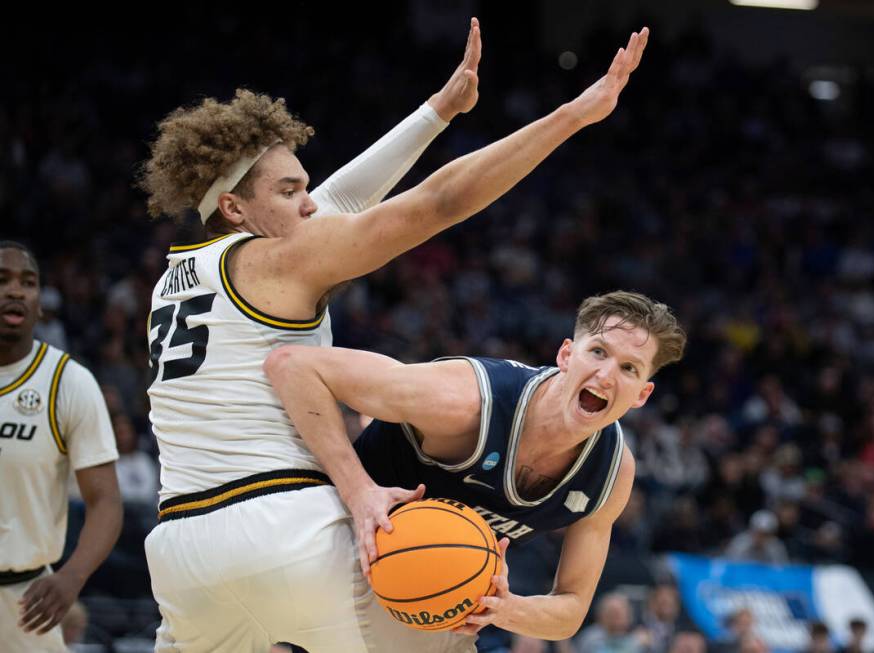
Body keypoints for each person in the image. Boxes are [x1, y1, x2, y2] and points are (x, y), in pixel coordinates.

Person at [141, 17, 652, 653]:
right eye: (291, 190)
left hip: (180, 552)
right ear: (236, 210)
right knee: (449, 628)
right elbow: (438, 204)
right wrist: (573, 115)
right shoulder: (283, 258)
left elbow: (343, 201)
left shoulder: (178, 279)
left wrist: (437, 112)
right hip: (283, 524)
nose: (309, 205)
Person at [265, 290, 685, 647]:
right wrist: (360, 493)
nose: (607, 375)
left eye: (629, 368)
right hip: (335, 548)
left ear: (642, 394)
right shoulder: (466, 400)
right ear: (566, 354)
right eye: (598, 352)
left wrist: (503, 606)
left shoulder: (612, 473)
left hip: (427, 607)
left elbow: (571, 611)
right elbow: (293, 367)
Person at [0, 242, 122, 653]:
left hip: (25, 599)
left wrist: (72, 577)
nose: (16, 291)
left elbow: (105, 501)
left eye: (28, 283)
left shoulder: (67, 382)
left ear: (39, 306)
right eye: (2, 281)